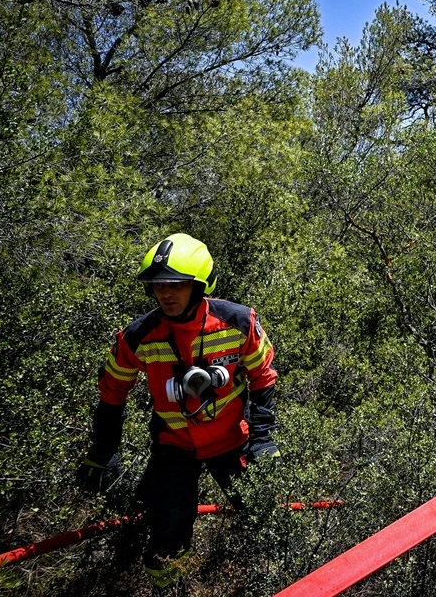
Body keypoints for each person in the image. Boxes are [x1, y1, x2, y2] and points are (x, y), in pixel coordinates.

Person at [77, 233, 279, 597]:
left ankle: (275, 580)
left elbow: (263, 376)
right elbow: (112, 392)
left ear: (200, 286)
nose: (165, 294)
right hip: (174, 443)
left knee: (264, 514)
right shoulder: (137, 336)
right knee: (167, 533)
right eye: (157, 286)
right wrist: (104, 449)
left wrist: (263, 439)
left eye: (177, 285)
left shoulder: (239, 322)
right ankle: (170, 591)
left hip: (233, 439)